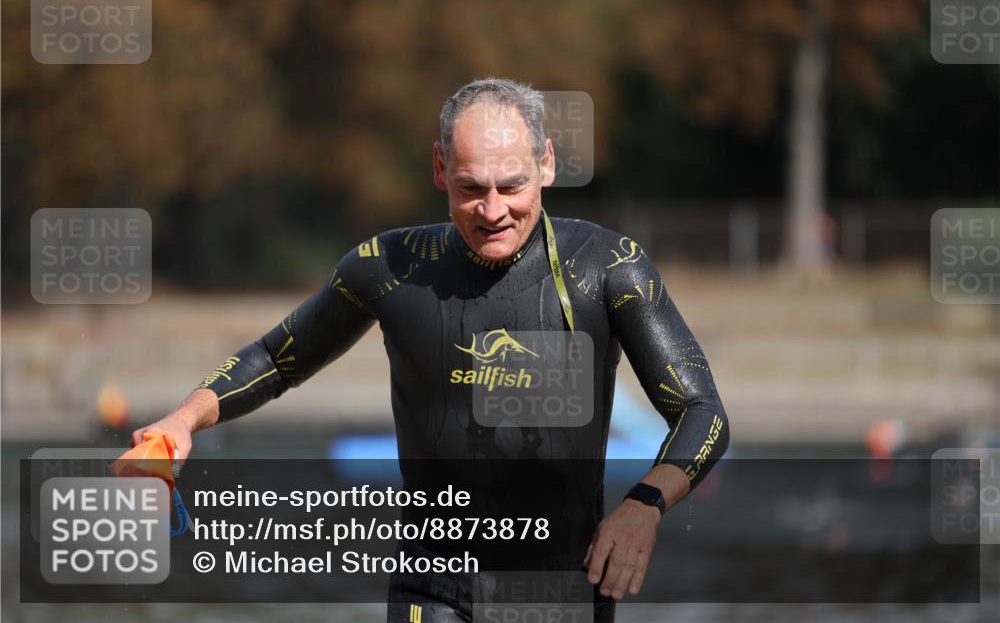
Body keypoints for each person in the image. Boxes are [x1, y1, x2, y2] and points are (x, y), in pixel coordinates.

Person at [134, 77, 729, 622]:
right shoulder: (388, 267)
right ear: (440, 169)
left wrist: (644, 505)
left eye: (512, 186)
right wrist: (182, 421)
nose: (493, 211)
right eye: (471, 188)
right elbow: (276, 358)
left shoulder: (606, 268)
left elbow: (702, 413)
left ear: (546, 164)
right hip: (432, 591)